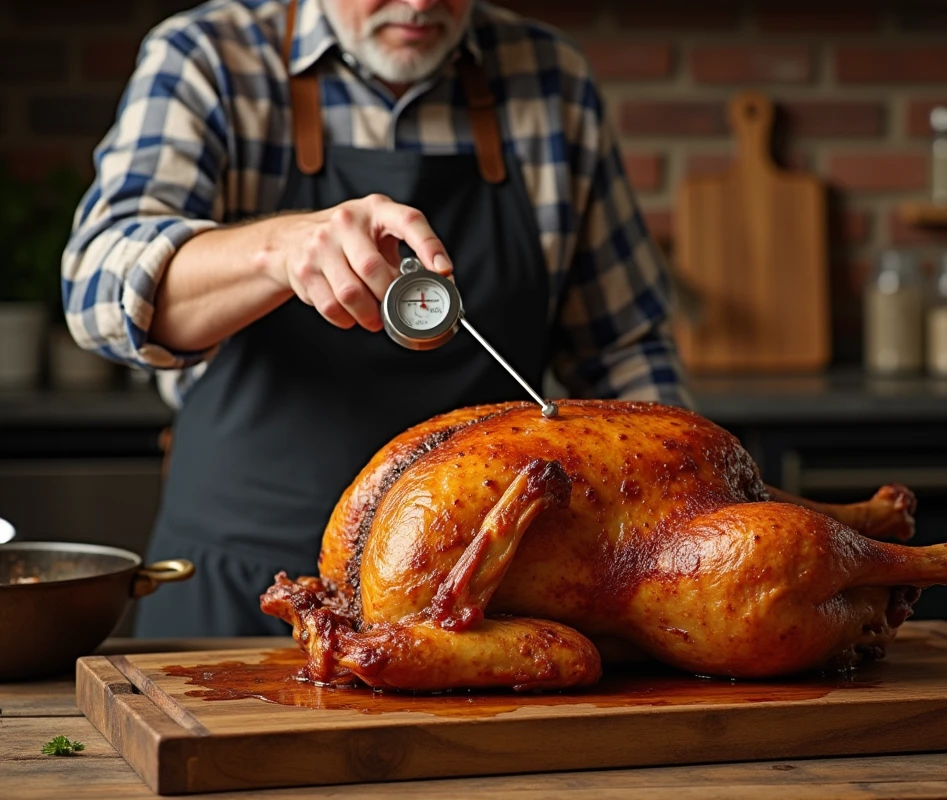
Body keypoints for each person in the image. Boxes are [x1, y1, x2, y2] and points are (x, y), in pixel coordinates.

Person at [61, 0, 688, 637]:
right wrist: (276, 250)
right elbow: (96, 290)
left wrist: (680, 522)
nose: (419, 4)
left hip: (479, 597)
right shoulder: (210, 57)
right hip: (235, 586)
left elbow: (622, 347)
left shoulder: (550, 77)